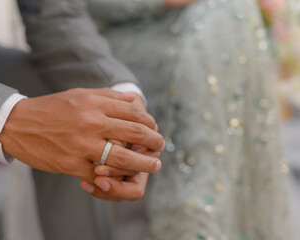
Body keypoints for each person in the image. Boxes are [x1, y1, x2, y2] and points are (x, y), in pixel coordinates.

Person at [0, 0, 165, 239]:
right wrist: (9, 120)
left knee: (85, 116)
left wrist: (123, 102)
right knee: (69, 123)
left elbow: (56, 14)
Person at [87, 0, 294, 239]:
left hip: (212, 38)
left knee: (225, 16)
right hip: (136, 39)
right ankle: (195, 216)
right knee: (216, 22)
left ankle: (199, 213)